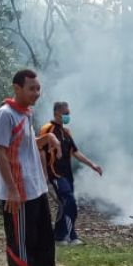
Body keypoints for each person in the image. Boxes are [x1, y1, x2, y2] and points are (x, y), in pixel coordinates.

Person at [0, 69, 70, 266]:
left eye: (38, 88)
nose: (36, 93)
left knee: (44, 237)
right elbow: (0, 152)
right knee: (21, 240)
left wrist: (47, 139)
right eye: (31, 88)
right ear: (17, 88)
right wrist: (12, 190)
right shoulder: (5, 115)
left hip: (35, 187)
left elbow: (25, 145)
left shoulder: (26, 113)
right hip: (18, 191)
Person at [38, 101, 103, 246]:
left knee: (64, 204)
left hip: (67, 174)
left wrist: (92, 165)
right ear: (56, 113)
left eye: (69, 113)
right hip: (55, 173)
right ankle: (72, 236)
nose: (68, 116)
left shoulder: (66, 132)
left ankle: (59, 237)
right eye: (65, 113)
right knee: (70, 202)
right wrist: (44, 174)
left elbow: (75, 152)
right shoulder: (47, 129)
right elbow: (40, 151)